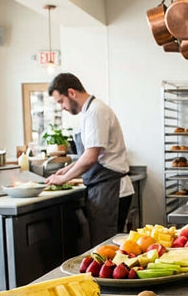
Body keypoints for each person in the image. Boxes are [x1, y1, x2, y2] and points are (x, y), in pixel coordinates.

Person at [44, 73, 133, 245]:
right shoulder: (89, 112)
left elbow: (91, 157)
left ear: (71, 93)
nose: (62, 107)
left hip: (110, 190)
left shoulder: (95, 112)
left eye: (61, 101)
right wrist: (68, 169)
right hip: (104, 188)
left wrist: (63, 179)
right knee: (106, 250)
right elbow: (91, 153)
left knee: (107, 250)